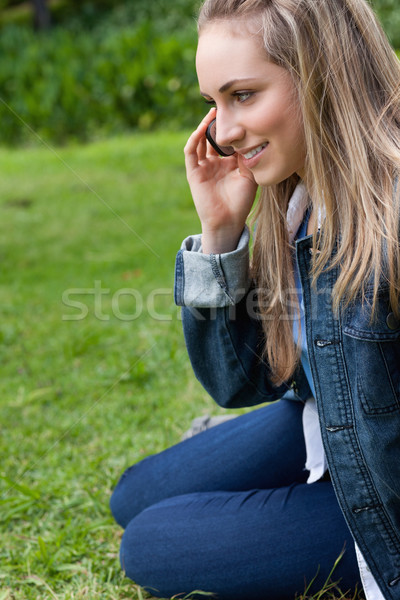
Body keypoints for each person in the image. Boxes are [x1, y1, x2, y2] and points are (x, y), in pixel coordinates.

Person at [110, 0, 400, 598]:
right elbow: (240, 382)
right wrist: (220, 235)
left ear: (323, 74)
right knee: (133, 495)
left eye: (242, 95)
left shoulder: (388, 214)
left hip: (383, 494)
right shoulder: (300, 197)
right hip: (328, 419)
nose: (221, 131)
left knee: (149, 541)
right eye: (212, 103)